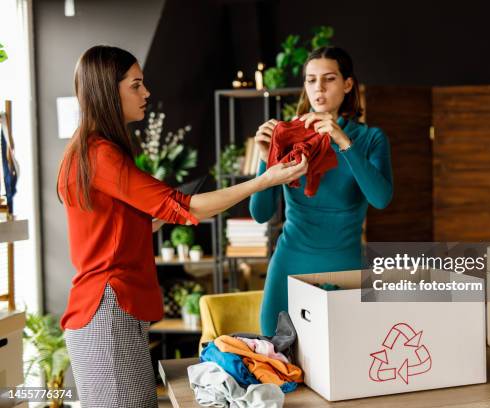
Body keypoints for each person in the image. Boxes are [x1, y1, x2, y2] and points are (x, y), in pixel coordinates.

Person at [56, 45, 307, 408]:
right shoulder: (101, 156)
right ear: (109, 91)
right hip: (107, 309)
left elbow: (116, 229)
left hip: (104, 309)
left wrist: (154, 218)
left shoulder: (87, 151)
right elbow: (183, 206)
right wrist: (263, 181)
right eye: (136, 85)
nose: (146, 93)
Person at [250, 46, 393, 336]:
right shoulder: (288, 136)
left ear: (347, 84)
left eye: (329, 79)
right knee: (279, 360)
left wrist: (343, 141)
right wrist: (266, 159)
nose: (319, 88)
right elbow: (260, 214)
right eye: (311, 79)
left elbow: (380, 199)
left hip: (346, 265)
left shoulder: (370, 138)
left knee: (347, 357)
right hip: (289, 264)